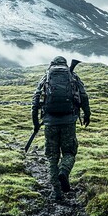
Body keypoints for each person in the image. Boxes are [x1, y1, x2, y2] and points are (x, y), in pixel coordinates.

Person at [31, 56, 91, 201]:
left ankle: (56, 191)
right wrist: (87, 114)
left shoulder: (46, 77)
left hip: (50, 122)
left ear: (52, 64)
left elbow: (35, 99)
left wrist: (35, 122)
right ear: (65, 64)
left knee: (52, 157)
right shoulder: (72, 76)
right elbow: (84, 96)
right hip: (69, 121)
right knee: (69, 153)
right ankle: (64, 171)